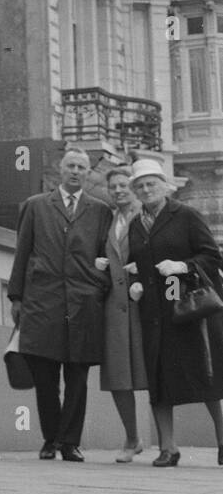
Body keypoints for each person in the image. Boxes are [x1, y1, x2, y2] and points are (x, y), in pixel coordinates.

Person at [7, 147, 111, 462]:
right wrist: (16, 296)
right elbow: (22, 251)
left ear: (89, 173)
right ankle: (50, 439)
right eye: (71, 166)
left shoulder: (100, 211)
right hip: (43, 301)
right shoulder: (36, 206)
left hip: (83, 303)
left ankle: (70, 442)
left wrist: (98, 288)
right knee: (45, 376)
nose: (76, 171)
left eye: (82, 167)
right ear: (60, 170)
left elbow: (107, 255)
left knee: (77, 376)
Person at [126, 158, 223, 467]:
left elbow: (212, 256)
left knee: (206, 375)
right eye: (139, 185)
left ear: (164, 185)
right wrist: (136, 282)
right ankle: (168, 448)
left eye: (151, 183)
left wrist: (182, 266)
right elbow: (138, 262)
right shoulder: (135, 225)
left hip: (188, 307)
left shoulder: (186, 215)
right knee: (158, 379)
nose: (145, 189)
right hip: (154, 312)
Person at [96, 165, 147, 462]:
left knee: (153, 372)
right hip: (114, 306)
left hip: (143, 305)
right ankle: (132, 438)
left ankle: (167, 443)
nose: (118, 191)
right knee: (118, 374)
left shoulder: (148, 216)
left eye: (123, 185)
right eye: (113, 186)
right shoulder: (109, 219)